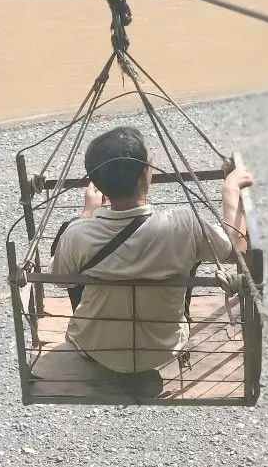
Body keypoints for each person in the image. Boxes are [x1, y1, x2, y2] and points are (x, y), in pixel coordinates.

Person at [50, 126, 254, 385]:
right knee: (188, 252)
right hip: (164, 347)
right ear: (146, 178)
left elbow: (62, 280)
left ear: (97, 185)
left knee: (71, 244)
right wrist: (231, 189)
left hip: (95, 348)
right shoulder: (184, 224)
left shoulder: (76, 234)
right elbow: (236, 249)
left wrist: (87, 215)